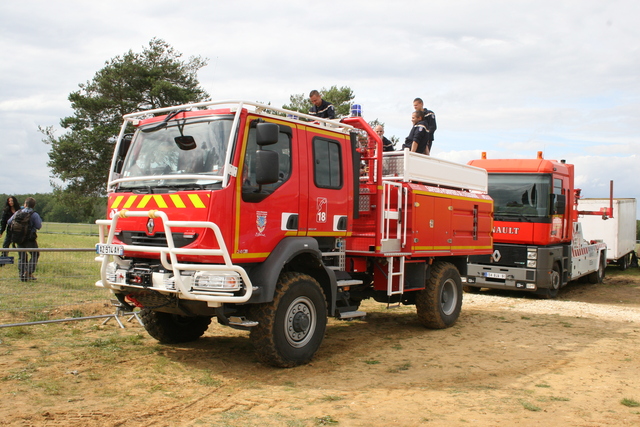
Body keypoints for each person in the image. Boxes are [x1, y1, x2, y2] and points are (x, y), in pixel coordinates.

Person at [7, 197, 42, 281]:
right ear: (33, 206)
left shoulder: (18, 212)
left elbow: (9, 222)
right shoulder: (34, 214)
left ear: (25, 204)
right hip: (29, 239)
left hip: (18, 238)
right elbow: (38, 226)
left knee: (22, 256)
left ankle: (21, 275)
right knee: (35, 254)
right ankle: (28, 272)